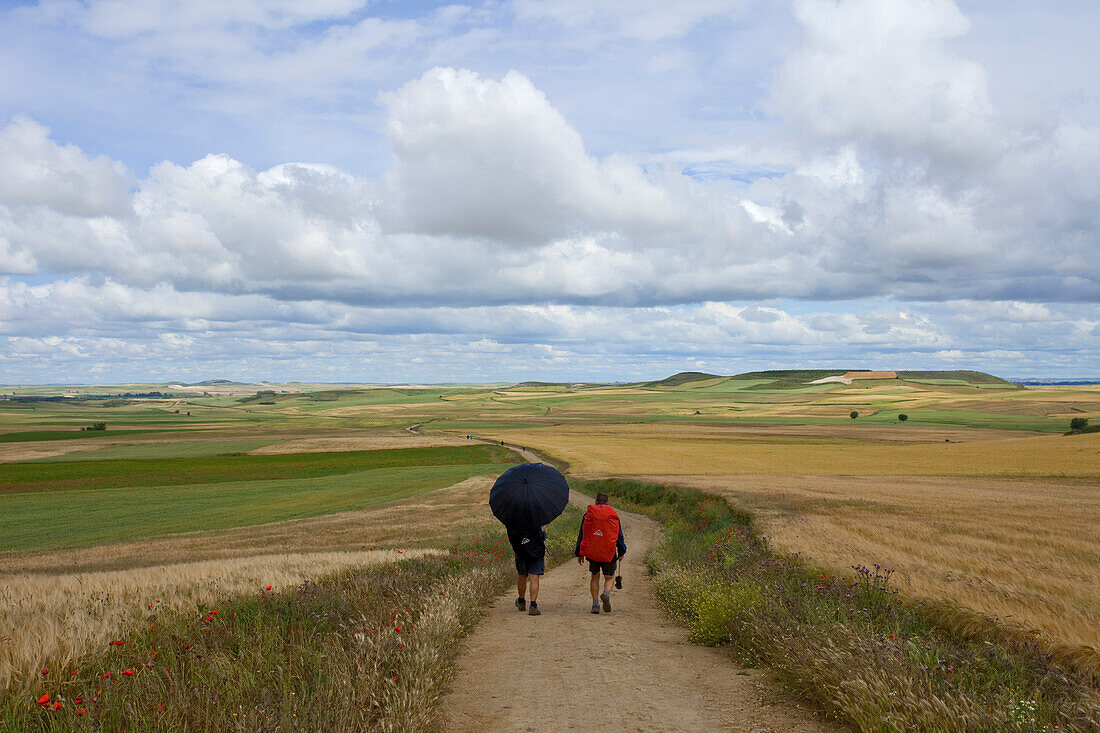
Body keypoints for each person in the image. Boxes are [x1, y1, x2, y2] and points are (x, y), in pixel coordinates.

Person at [575, 493, 627, 614]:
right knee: (609, 578)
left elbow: (582, 534)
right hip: (608, 552)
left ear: (595, 501)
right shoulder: (613, 514)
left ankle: (595, 604)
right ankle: (606, 593)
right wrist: (621, 551)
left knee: (594, 577)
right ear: (607, 503)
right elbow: (618, 535)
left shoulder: (588, 514)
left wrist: (579, 552)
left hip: (593, 552)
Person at [508, 524, 546, 616]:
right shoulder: (538, 514)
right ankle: (533, 605)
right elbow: (542, 535)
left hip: (521, 551)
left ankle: (521, 601)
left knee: (522, 575)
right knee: (534, 577)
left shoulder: (515, 516)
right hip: (536, 551)